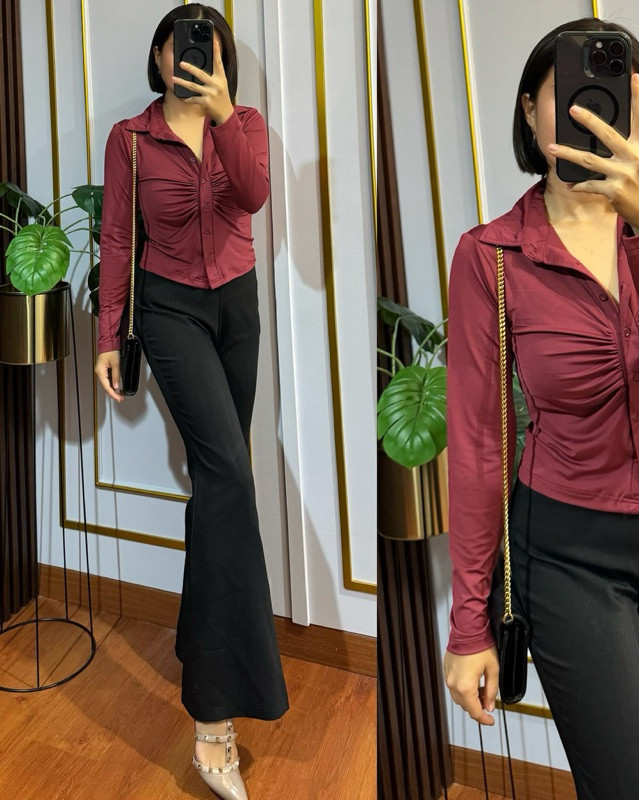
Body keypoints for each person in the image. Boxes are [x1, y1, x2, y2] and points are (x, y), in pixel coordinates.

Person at [442, 17, 639, 800]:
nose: (584, 108)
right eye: (563, 91)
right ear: (530, 109)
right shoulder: (491, 258)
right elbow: (479, 444)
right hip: (566, 551)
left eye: (607, 93)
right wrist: (469, 623)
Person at [94, 5, 288, 798]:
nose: (196, 54)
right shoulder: (131, 140)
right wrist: (109, 332)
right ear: (159, 54)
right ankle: (214, 718)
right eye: (184, 42)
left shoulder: (244, 123)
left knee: (218, 488)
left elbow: (255, 195)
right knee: (230, 479)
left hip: (237, 308)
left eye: (210, 44)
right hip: (170, 309)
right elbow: (116, 238)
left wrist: (222, 114)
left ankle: (198, 646)